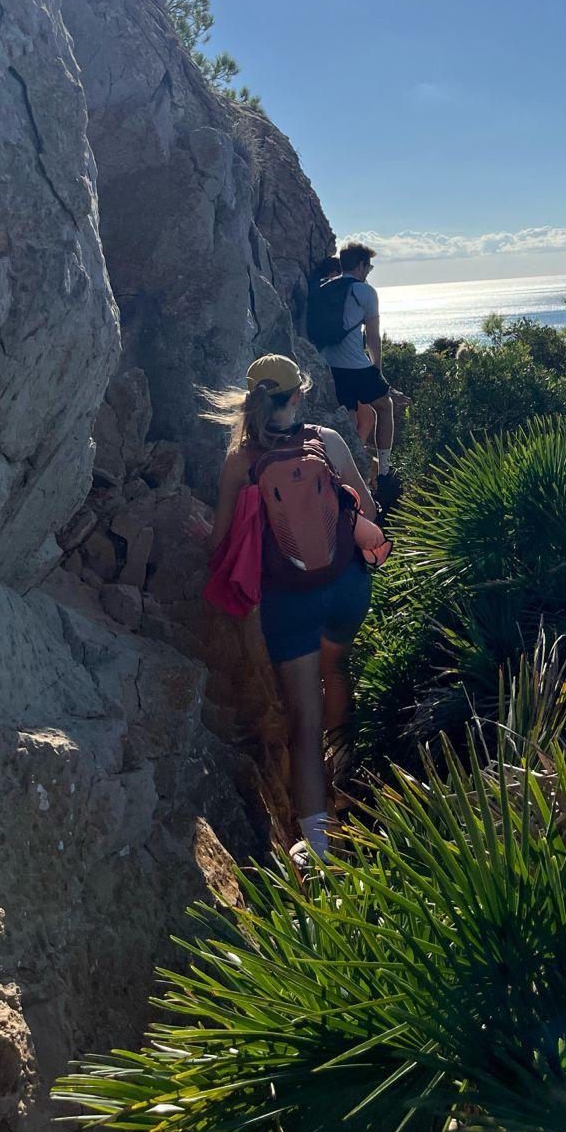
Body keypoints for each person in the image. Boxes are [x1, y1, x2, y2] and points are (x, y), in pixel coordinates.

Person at [200, 354, 377, 865]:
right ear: (298, 394)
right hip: (346, 585)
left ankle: (318, 849)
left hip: (288, 599)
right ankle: (344, 781)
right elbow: (365, 508)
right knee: (337, 671)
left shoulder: (241, 461)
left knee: (302, 720)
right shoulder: (329, 441)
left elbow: (219, 542)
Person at [310, 241, 404, 502]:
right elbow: (373, 337)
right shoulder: (364, 291)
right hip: (356, 366)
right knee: (384, 406)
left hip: (329, 366)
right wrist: (378, 371)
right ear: (361, 265)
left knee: (350, 422)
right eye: (368, 267)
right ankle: (384, 470)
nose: (368, 271)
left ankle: (348, 474)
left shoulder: (325, 288)